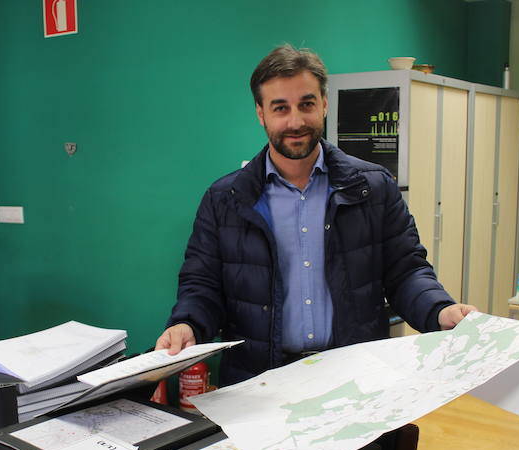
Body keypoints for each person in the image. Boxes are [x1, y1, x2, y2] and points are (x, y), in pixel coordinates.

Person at [156, 44, 475, 386]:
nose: (296, 121)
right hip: (259, 384)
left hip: (354, 380)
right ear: (261, 114)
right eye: (280, 108)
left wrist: (440, 309)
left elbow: (406, 270)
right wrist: (186, 324)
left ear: (324, 103)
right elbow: (202, 285)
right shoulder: (225, 201)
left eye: (306, 104)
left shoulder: (373, 188)